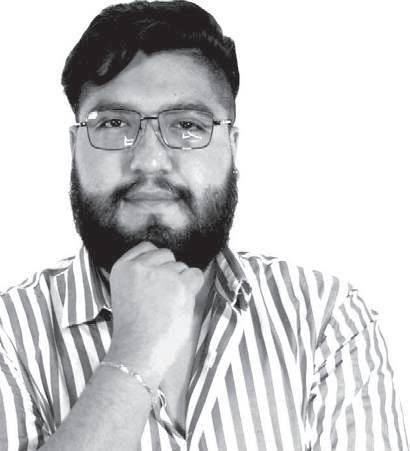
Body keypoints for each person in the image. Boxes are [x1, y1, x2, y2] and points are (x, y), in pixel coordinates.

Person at [0, 1, 407, 450]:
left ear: (232, 146)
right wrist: (134, 354)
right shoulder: (9, 336)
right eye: (114, 123)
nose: (149, 161)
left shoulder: (324, 318)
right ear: (75, 146)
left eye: (187, 126)